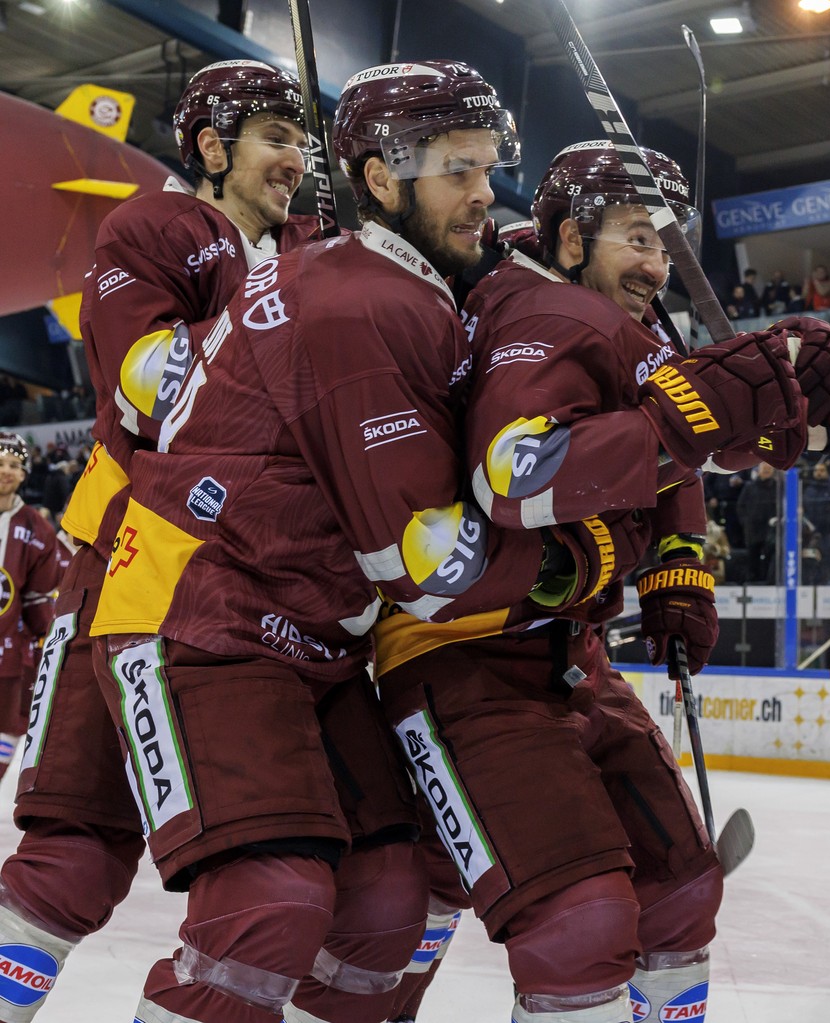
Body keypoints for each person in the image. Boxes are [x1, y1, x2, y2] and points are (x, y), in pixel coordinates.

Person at [85, 61, 590, 1023]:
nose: (486, 192)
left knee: (384, 902)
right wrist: (585, 564)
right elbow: (424, 567)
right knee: (266, 901)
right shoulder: (361, 300)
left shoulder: (378, 280)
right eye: (457, 169)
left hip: (315, 633)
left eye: (489, 167)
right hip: (196, 607)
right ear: (383, 179)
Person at [369, 138, 830, 1023]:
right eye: (637, 237)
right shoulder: (543, 318)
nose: (657, 264)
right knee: (578, 922)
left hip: (567, 655)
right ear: (568, 242)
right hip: (465, 655)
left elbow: (659, 460)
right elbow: (517, 476)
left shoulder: (611, 325)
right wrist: (700, 413)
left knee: (678, 893)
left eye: (666, 244)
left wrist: (680, 566)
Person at [0, 59, 328, 1023]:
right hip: (127, 562)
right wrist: (297, 314)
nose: (295, 160)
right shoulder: (156, 225)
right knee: (73, 848)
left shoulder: (305, 245)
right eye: (274, 138)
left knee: (300, 879)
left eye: (301, 141)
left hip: (254, 577)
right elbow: (154, 387)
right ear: (212, 148)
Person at [0, 434, 61, 784]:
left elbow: (39, 597)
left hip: (9, 651)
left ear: (24, 474)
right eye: (0, 463)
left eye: (13, 465)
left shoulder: (36, 528)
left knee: (9, 726)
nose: (6, 471)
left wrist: (45, 641)